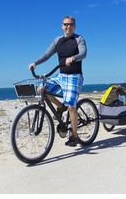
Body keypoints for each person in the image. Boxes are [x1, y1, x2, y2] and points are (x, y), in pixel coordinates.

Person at [28, 16, 87, 147]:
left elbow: (83, 53)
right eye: (66, 24)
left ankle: (74, 136)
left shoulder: (79, 39)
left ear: (74, 26)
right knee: (42, 89)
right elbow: (47, 55)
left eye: (71, 24)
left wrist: (74, 58)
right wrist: (35, 63)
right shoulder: (57, 41)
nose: (68, 27)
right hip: (61, 75)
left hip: (74, 76)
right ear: (62, 26)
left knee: (71, 105)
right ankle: (60, 107)